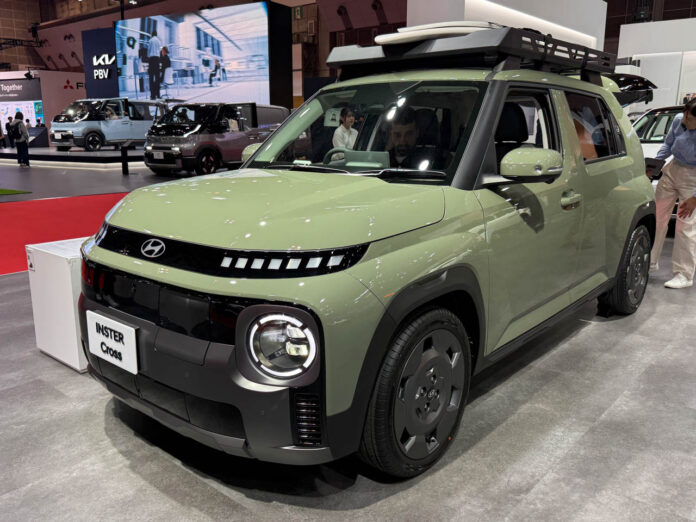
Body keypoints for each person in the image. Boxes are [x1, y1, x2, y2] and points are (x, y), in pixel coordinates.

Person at [650, 98, 696, 289]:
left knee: (685, 225)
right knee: (657, 216)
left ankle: (684, 274)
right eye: (685, 114)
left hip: (693, 176)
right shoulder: (678, 120)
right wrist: (654, 166)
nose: (685, 119)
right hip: (673, 168)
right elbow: (668, 145)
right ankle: (649, 261)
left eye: (690, 118)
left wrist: (694, 198)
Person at [147, 29, 162, 99]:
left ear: (152, 34)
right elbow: (159, 50)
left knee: (151, 77)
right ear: (156, 34)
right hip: (157, 59)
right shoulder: (159, 41)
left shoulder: (150, 40)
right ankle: (158, 95)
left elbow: (148, 50)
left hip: (151, 59)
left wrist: (148, 57)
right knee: (157, 78)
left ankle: (152, 95)